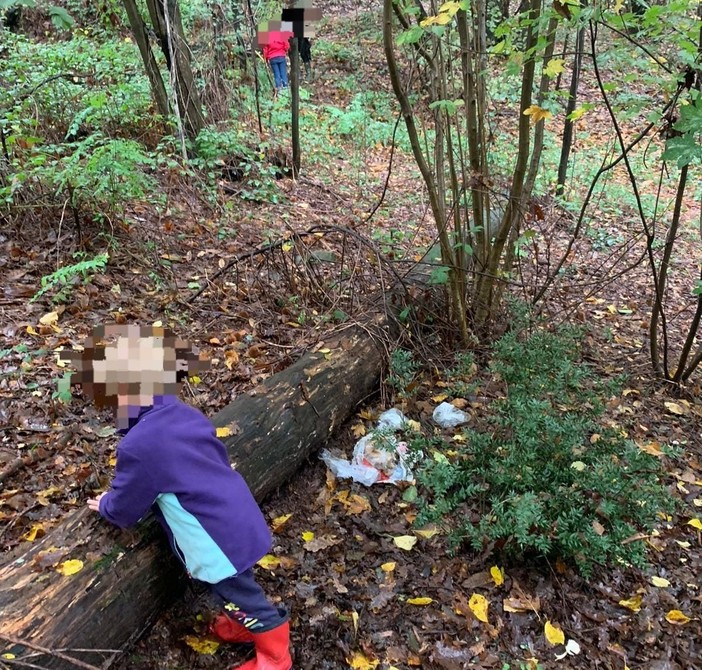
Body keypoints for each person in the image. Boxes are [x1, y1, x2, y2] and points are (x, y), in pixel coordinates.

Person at [61, 324, 292, 670]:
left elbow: (125, 508)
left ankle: (275, 654)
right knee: (238, 588)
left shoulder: (139, 446)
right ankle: (246, 624)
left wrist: (106, 504)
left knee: (237, 594)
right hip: (237, 515)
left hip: (216, 539)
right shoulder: (185, 415)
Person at [261, 27, 293, 91]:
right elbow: (286, 45)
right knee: (283, 72)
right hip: (281, 56)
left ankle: (278, 87)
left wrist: (265, 58)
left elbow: (265, 49)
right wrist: (284, 51)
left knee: (276, 74)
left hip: (272, 58)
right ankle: (285, 86)